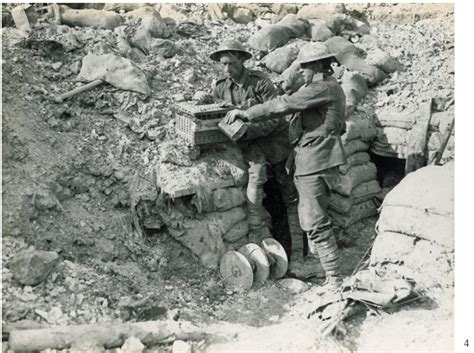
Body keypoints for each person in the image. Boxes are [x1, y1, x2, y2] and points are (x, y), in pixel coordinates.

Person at [224, 43, 347, 289]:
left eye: (305, 67)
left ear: (317, 65)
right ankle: (315, 264)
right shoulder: (322, 88)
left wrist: (247, 114)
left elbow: (283, 104)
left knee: (314, 220)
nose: (301, 72)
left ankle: (335, 279)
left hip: (317, 160)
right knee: (308, 216)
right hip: (310, 158)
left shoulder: (321, 87)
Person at [209, 39, 321, 279]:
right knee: (256, 185)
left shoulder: (260, 82)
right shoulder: (220, 87)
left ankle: (300, 255)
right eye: (222, 65)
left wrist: (247, 129)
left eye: (230, 63)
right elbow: (218, 115)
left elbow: (276, 118)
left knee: (291, 196)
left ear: (241, 60)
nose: (226, 69)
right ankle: (256, 241)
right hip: (251, 149)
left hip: (275, 145)